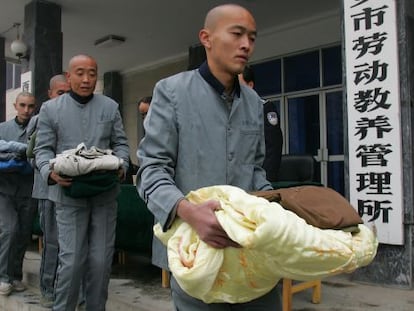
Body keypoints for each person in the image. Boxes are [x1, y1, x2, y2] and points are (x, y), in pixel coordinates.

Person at [137, 4, 282, 310]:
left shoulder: (254, 103)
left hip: (250, 253)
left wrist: (278, 212)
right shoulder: (171, 92)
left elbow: (255, 170)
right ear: (207, 38)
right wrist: (187, 210)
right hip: (194, 254)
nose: (246, 45)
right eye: (237, 34)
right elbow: (150, 171)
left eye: (252, 38)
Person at [34, 54, 130, 311]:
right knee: (72, 260)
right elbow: (42, 150)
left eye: (92, 73)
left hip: (105, 195)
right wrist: (49, 172)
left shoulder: (110, 106)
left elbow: (121, 144)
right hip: (68, 196)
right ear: (69, 76)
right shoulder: (50, 109)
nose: (86, 79)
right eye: (80, 73)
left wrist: (122, 163)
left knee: (100, 261)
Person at [26, 74, 72, 308]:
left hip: (72, 192)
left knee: (72, 246)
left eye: (68, 92)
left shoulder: (75, 115)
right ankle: (47, 289)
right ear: (51, 94)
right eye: (60, 93)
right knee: (53, 243)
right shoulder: (41, 117)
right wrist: (51, 170)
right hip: (48, 191)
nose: (65, 97)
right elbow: (32, 155)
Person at [0, 91, 36, 296]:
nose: (26, 110)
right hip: (4, 189)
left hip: (28, 189)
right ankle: (3, 276)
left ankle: (15, 274)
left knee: (23, 233)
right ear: (15, 105)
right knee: (9, 230)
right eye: (22, 105)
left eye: (30, 106)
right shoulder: (2, 129)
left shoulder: (38, 128)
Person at [239, 65, 283, 181]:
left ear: (250, 86)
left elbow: (272, 150)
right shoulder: (235, 111)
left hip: (259, 181)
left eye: (238, 84)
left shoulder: (265, 108)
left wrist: (266, 182)